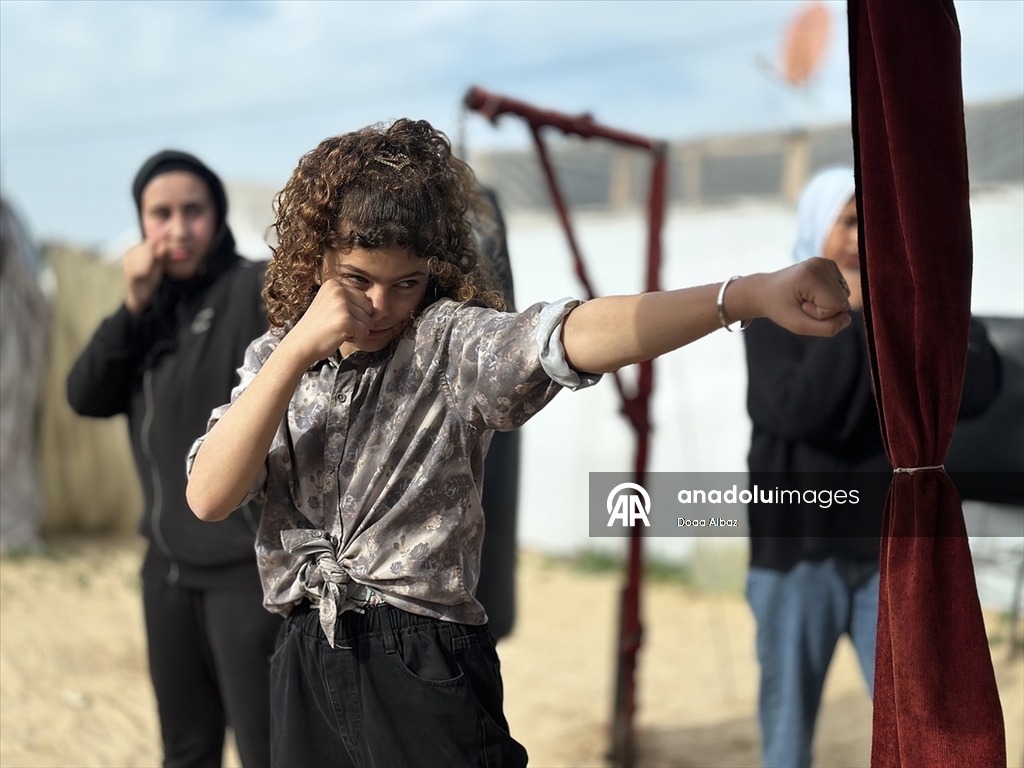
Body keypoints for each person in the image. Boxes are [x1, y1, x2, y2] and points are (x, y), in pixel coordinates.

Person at [184, 118, 853, 768]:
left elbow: (567, 336)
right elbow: (209, 496)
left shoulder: (447, 341)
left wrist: (744, 295)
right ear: (318, 259)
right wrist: (297, 349)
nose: (381, 304)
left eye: (405, 282)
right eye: (357, 280)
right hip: (302, 660)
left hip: (419, 659)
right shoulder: (273, 359)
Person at [742, 166, 1001, 768]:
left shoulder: (904, 314)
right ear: (816, 227)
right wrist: (853, 316)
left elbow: (977, 390)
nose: (861, 239)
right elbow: (798, 410)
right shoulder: (770, 316)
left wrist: (928, 306)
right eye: (848, 221)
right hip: (798, 554)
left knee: (918, 724)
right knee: (788, 737)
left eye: (875, 224)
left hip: (888, 554)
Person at [67, 151, 281, 768]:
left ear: (218, 214)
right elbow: (84, 396)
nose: (178, 228)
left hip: (245, 573)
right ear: (141, 223)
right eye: (160, 214)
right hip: (165, 574)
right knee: (185, 752)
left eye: (194, 210)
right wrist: (134, 303)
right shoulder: (148, 315)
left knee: (268, 750)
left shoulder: (252, 289)